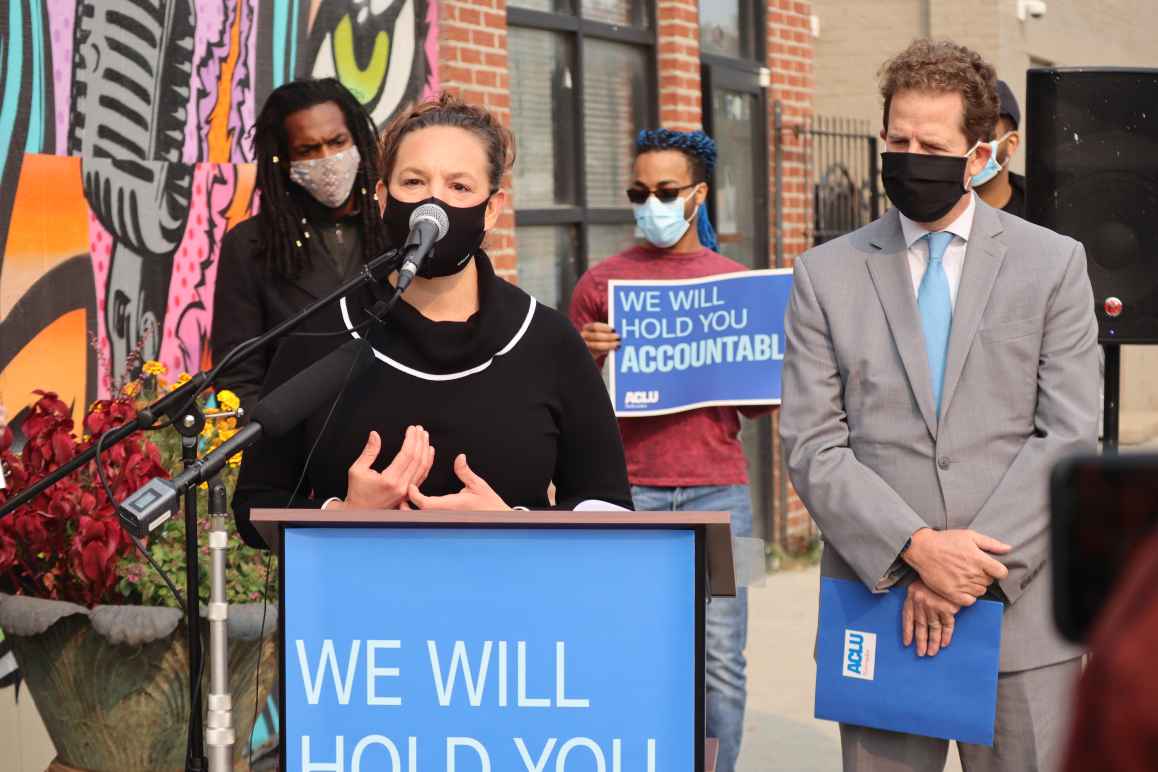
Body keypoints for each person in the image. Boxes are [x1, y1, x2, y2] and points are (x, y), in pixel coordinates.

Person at [780, 39, 1099, 772]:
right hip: (879, 605)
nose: (909, 155)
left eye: (931, 143)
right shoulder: (824, 275)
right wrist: (917, 550)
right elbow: (812, 443)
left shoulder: (1053, 264)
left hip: (1025, 624)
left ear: (981, 153)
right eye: (897, 140)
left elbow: (1069, 435)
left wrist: (969, 568)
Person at [231, 92, 632, 547]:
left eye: (459, 187)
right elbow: (253, 505)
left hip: (511, 607)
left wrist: (513, 521)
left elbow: (610, 505)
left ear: (492, 208)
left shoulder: (548, 341)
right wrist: (343, 515)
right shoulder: (321, 334)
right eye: (414, 182)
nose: (432, 205)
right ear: (383, 196)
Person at [568, 128, 769, 772]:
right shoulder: (600, 285)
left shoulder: (738, 283)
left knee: (720, 663)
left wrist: (759, 366)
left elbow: (760, 407)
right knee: (626, 651)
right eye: (638, 191)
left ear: (698, 195)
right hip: (625, 493)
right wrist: (587, 359)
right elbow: (566, 405)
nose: (650, 202)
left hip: (719, 493)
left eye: (665, 190)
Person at [211, 78, 389, 411]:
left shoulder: (395, 231)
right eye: (308, 150)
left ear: (359, 141)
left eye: (337, 142)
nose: (327, 159)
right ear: (284, 160)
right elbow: (238, 381)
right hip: (300, 445)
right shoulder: (250, 246)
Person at [972, 80, 1025, 218]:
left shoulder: (1042, 209)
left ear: (1011, 143)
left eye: (985, 136)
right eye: (964, 134)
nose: (971, 147)